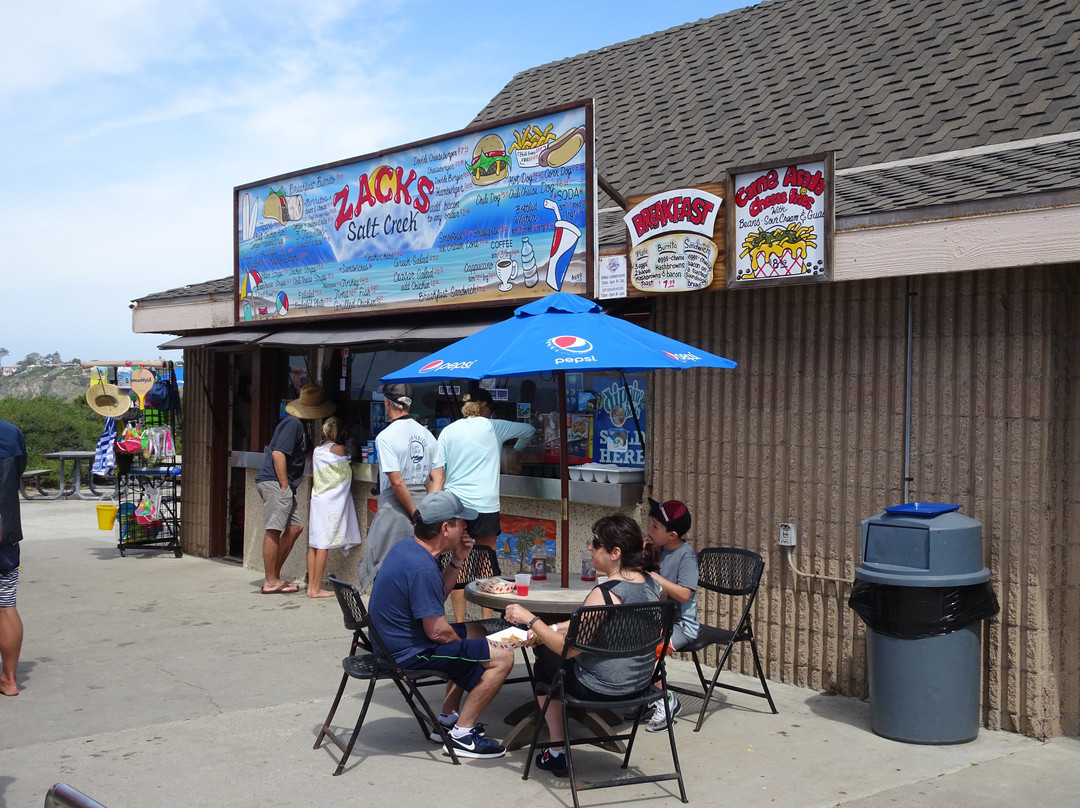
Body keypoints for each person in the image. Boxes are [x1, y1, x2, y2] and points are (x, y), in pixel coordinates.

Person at [505, 513, 662, 778]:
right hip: (640, 686)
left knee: (545, 656)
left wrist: (530, 619)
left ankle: (557, 750)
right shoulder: (651, 584)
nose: (589, 547)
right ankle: (557, 748)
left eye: (596, 543)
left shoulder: (605, 593)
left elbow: (566, 649)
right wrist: (553, 627)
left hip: (601, 688)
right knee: (547, 644)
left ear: (615, 553)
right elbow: (591, 623)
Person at [369, 491, 514, 759]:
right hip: (409, 654)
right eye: (462, 522)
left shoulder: (409, 548)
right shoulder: (421, 567)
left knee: (478, 631)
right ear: (446, 528)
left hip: (394, 645)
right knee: (503, 655)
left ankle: (448, 719)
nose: (466, 527)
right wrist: (467, 649)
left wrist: (458, 559)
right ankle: (463, 735)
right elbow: (436, 632)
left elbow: (434, 598)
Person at [438, 387, 535, 620]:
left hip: (456, 505)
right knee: (486, 562)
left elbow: (440, 469)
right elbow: (529, 430)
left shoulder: (448, 431)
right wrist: (517, 450)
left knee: (458, 564)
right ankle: (486, 622)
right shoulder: (494, 426)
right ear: (486, 408)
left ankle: (459, 622)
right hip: (485, 505)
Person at [356, 383, 445, 592]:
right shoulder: (428, 435)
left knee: (387, 570)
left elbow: (396, 482)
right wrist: (425, 514)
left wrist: (415, 515)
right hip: (425, 511)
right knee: (420, 570)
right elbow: (438, 478)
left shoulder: (386, 436)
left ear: (387, 403)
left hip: (394, 512)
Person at [255, 384, 336, 594]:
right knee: (274, 529)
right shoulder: (292, 424)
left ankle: (274, 576)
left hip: (284, 484)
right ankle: (270, 581)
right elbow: (278, 454)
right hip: (275, 481)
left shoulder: (302, 426)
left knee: (295, 527)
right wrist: (284, 484)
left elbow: (307, 452)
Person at [631, 497, 699, 731]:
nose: (648, 529)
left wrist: (656, 577)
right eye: (650, 523)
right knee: (625, 641)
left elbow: (684, 595)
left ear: (672, 535)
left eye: (655, 526)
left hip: (681, 625)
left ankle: (665, 700)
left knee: (647, 651)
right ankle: (643, 696)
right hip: (654, 620)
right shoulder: (657, 548)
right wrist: (640, 551)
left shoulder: (686, 556)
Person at [306, 416, 362, 598]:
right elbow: (346, 471)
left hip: (318, 499)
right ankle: (316, 588)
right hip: (331, 503)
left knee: (314, 544)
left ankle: (311, 586)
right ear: (341, 432)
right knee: (323, 544)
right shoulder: (339, 449)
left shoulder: (317, 450)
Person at [0, 418, 27, 696]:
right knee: (6, 605)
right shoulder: (10, 432)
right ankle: (9, 680)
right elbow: (19, 470)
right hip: (4, 533)